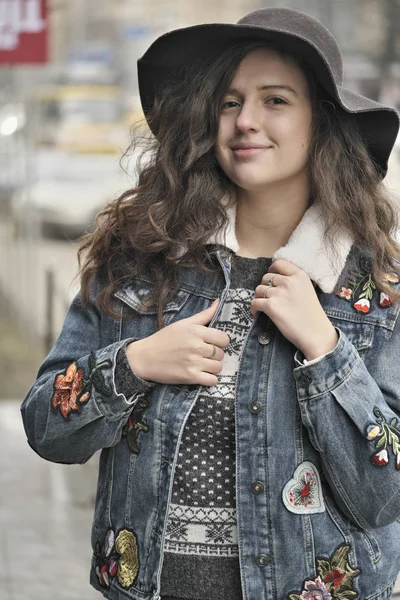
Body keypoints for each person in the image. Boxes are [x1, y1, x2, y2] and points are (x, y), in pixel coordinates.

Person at [21, 7, 400, 600]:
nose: (246, 121)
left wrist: (326, 353)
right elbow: (46, 427)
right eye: (229, 102)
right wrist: (134, 364)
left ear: (321, 122)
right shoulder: (140, 259)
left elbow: (385, 498)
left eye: (275, 100)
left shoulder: (379, 290)